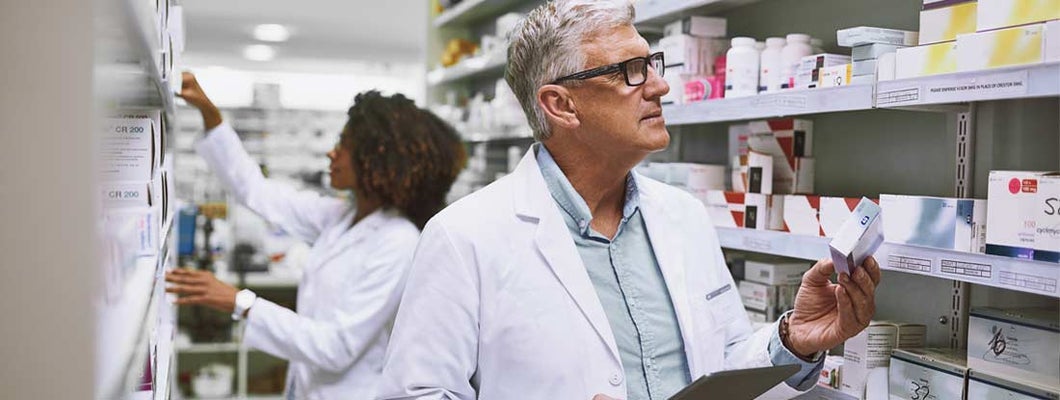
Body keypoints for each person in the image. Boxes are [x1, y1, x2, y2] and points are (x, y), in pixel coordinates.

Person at [377, 1, 881, 399]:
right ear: (561, 104)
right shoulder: (464, 236)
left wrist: (792, 340)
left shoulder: (681, 214)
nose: (660, 84)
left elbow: (721, 364)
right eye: (631, 70)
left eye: (653, 63)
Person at [166, 72, 465, 399]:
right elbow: (256, 191)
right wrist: (211, 116)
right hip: (308, 387)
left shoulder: (398, 243)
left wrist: (239, 302)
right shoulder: (341, 216)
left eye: (344, 146)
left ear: (376, 162)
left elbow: (336, 347)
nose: (331, 154)